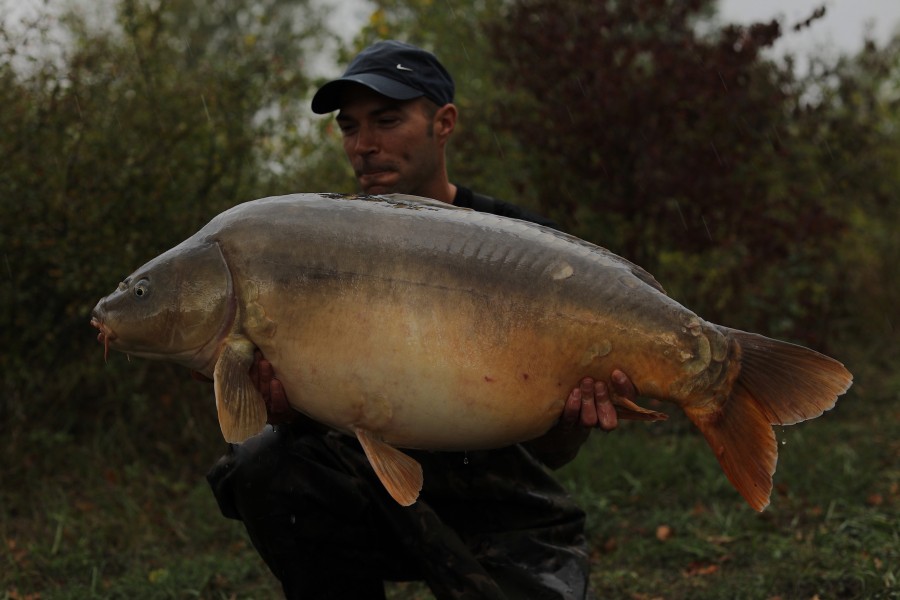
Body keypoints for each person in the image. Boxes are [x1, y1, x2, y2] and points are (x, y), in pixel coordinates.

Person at [207, 40, 637, 599]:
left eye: (387, 120)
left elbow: (551, 451)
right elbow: (306, 413)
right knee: (264, 461)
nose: (364, 145)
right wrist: (283, 408)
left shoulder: (526, 245)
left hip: (496, 496)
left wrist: (574, 417)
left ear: (444, 122)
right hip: (364, 486)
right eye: (350, 127)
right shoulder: (320, 244)